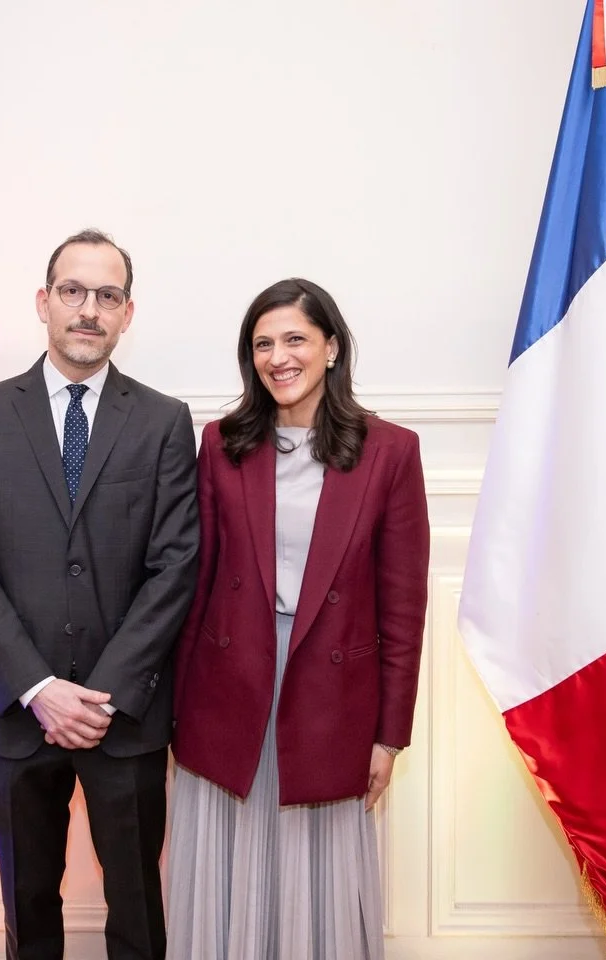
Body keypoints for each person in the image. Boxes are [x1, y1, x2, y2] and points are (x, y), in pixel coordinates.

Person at [0, 229, 199, 960]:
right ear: (44, 302)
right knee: (27, 907)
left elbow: (174, 565)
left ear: (127, 313)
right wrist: (39, 687)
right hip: (19, 717)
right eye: (74, 292)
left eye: (107, 296)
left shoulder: (163, 421)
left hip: (127, 720)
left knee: (138, 912)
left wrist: (104, 692)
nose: (89, 310)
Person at [166, 278, 430, 960]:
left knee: (319, 884)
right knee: (231, 874)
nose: (277, 357)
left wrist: (389, 736)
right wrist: (174, 713)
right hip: (229, 688)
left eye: (294, 339)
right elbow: (194, 588)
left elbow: (403, 607)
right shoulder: (222, 443)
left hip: (331, 695)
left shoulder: (390, 452)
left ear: (331, 348)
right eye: (262, 343)